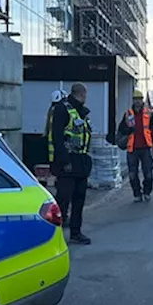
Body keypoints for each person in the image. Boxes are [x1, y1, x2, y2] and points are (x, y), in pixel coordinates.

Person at [49, 83, 93, 244]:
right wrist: (64, 161)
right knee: (63, 200)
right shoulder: (63, 109)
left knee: (79, 199)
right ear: (81, 94)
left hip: (81, 162)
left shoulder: (81, 112)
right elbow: (57, 138)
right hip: (68, 163)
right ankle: (55, 235)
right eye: (85, 95)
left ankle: (76, 232)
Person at [117, 90, 153, 202]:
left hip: (146, 147)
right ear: (133, 100)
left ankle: (147, 192)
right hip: (132, 148)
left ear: (142, 100)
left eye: (139, 99)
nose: (137, 101)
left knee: (148, 173)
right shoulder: (128, 114)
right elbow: (121, 129)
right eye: (135, 99)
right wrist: (128, 130)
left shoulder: (148, 114)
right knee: (132, 174)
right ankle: (137, 194)